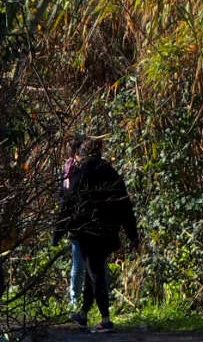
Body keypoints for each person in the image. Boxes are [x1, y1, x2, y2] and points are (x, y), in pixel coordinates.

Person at [54, 136, 141, 331]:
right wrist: (132, 235)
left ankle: (105, 319)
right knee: (92, 272)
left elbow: (68, 203)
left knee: (95, 273)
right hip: (108, 231)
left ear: (83, 154)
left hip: (86, 231)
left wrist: (58, 231)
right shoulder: (111, 173)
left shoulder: (81, 173)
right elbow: (125, 206)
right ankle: (83, 314)